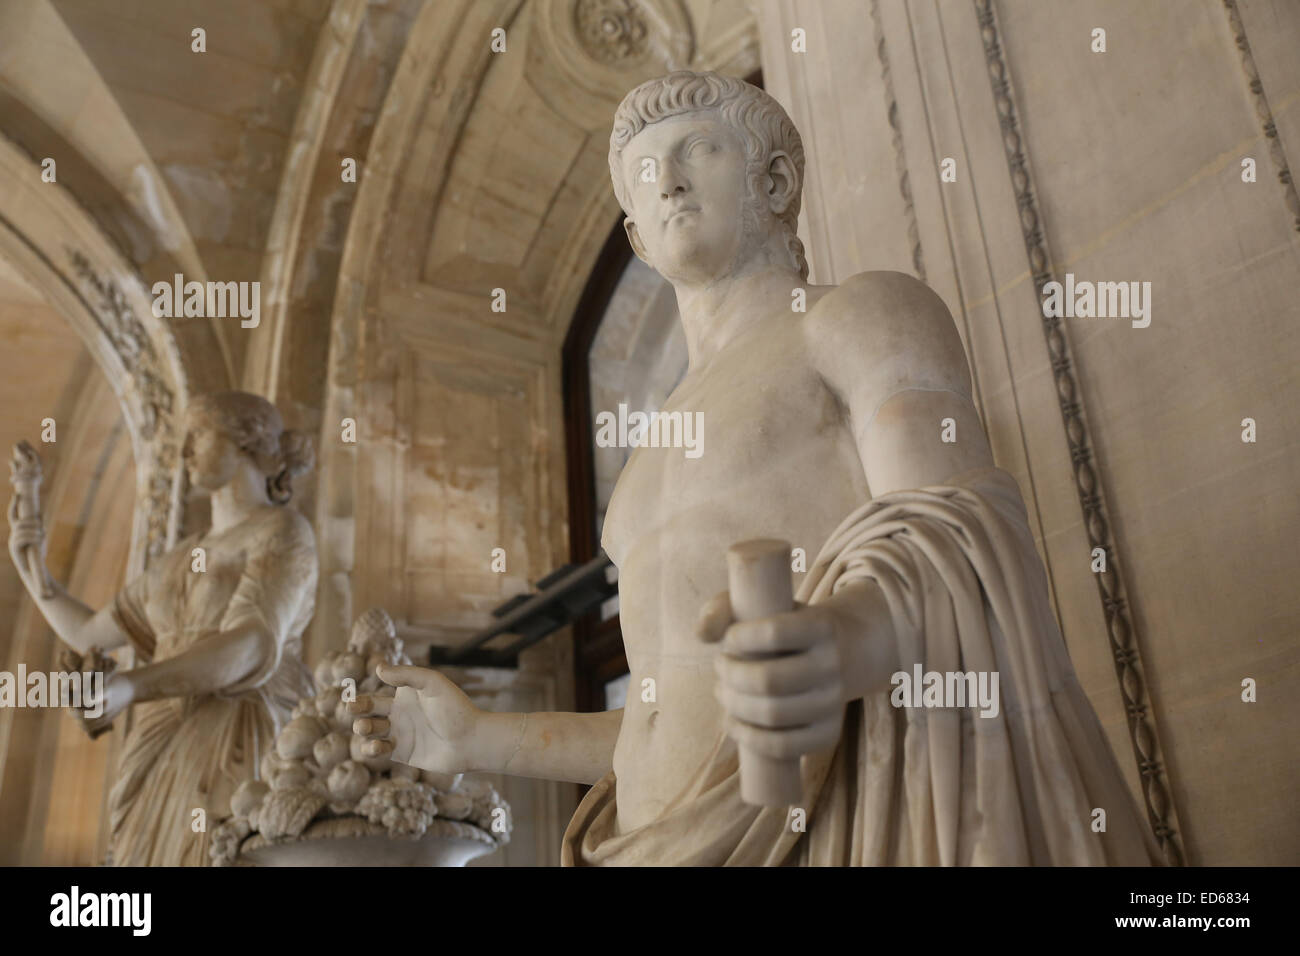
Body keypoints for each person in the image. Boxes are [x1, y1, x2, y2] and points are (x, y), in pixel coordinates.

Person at [351, 71, 1159, 865]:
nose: (666, 182)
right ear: (637, 239)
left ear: (773, 181)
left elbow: (962, 543)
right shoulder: (643, 461)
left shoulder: (858, 314)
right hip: (645, 843)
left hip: (820, 821)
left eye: (697, 150)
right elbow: (670, 722)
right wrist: (480, 738)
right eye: (644, 172)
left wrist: (841, 643)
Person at [7, 391, 317, 865]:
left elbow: (252, 643)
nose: (186, 450)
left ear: (246, 443)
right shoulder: (178, 559)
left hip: (232, 733)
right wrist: (31, 568)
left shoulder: (282, 532)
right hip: (160, 737)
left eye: (200, 435)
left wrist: (133, 685)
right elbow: (88, 634)